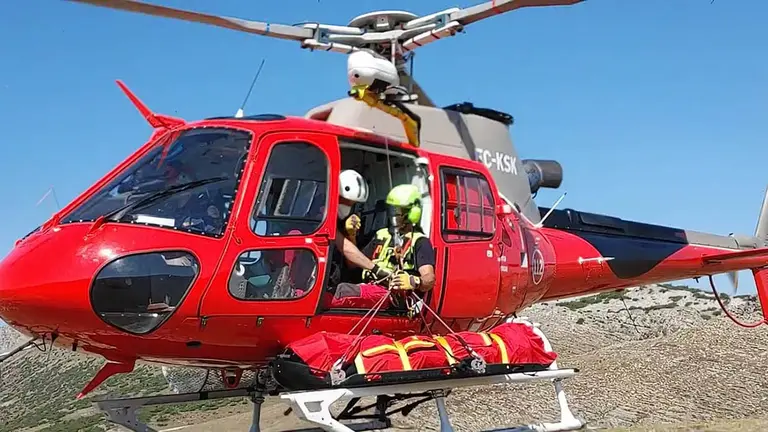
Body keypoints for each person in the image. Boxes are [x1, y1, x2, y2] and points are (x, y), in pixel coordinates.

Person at [326, 183, 436, 309]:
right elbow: (353, 264)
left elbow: (430, 278)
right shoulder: (381, 234)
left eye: (398, 210)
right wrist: (351, 235)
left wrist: (414, 281)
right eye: (392, 209)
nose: (393, 214)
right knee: (333, 287)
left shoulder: (419, 241)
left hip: (391, 295)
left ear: (411, 212)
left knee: (341, 293)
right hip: (369, 287)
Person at [328, 170, 391, 288]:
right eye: (348, 202)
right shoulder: (322, 214)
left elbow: (351, 264)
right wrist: (376, 269)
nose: (350, 206)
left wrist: (351, 234)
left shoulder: (343, 219)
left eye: (354, 204)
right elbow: (345, 247)